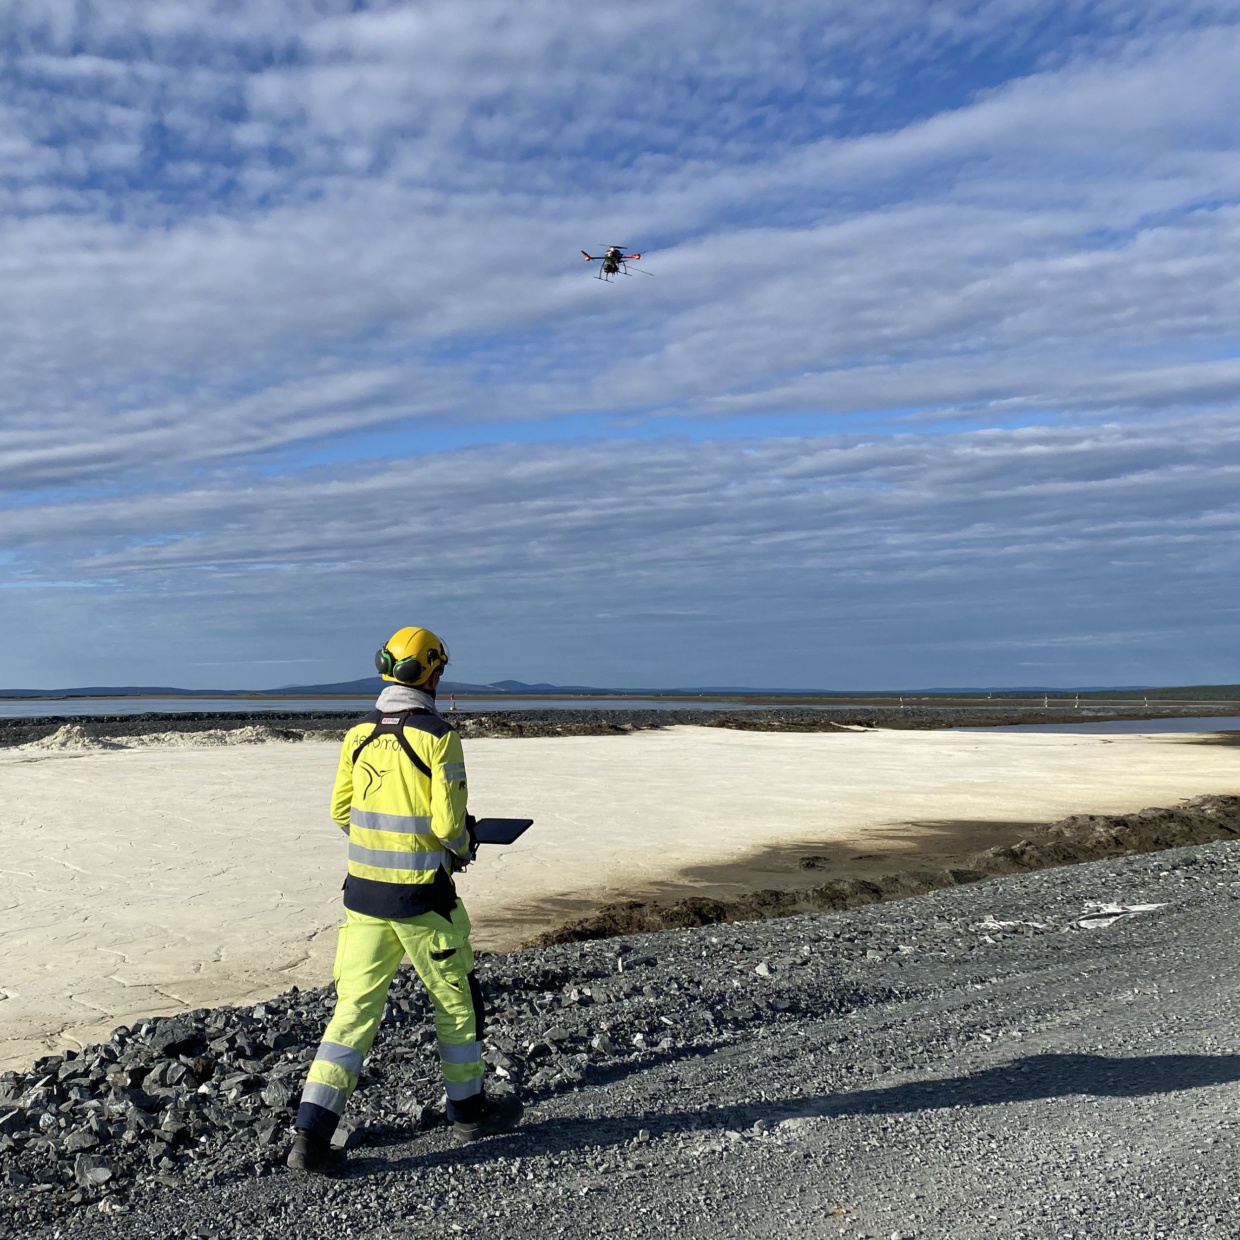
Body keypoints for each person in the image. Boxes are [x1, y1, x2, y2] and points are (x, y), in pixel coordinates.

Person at [287, 625, 522, 1174]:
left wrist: (382, 847)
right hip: (423, 902)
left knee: (351, 1016)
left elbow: (341, 813)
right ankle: (468, 1113)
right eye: (439, 669)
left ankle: (311, 1136)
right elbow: (446, 823)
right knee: (456, 1007)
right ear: (430, 671)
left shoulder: (357, 735)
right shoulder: (438, 736)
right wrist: (460, 846)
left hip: (362, 900)